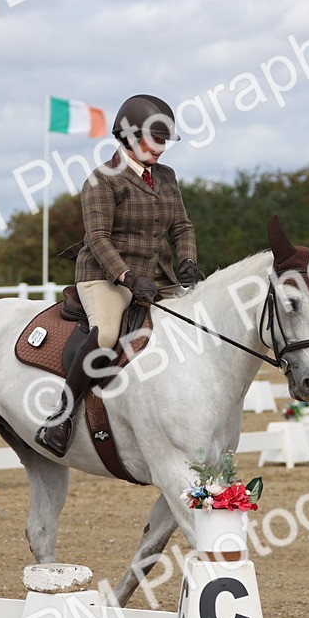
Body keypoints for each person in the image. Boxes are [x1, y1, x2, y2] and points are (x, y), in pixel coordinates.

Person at [35, 94, 199, 456]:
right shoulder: (102, 179)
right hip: (105, 275)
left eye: (165, 142)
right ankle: (59, 417)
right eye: (154, 140)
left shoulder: (167, 177)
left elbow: (182, 227)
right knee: (108, 333)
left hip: (157, 277)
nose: (161, 149)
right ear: (128, 137)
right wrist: (126, 277)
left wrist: (187, 260)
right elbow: (97, 238)